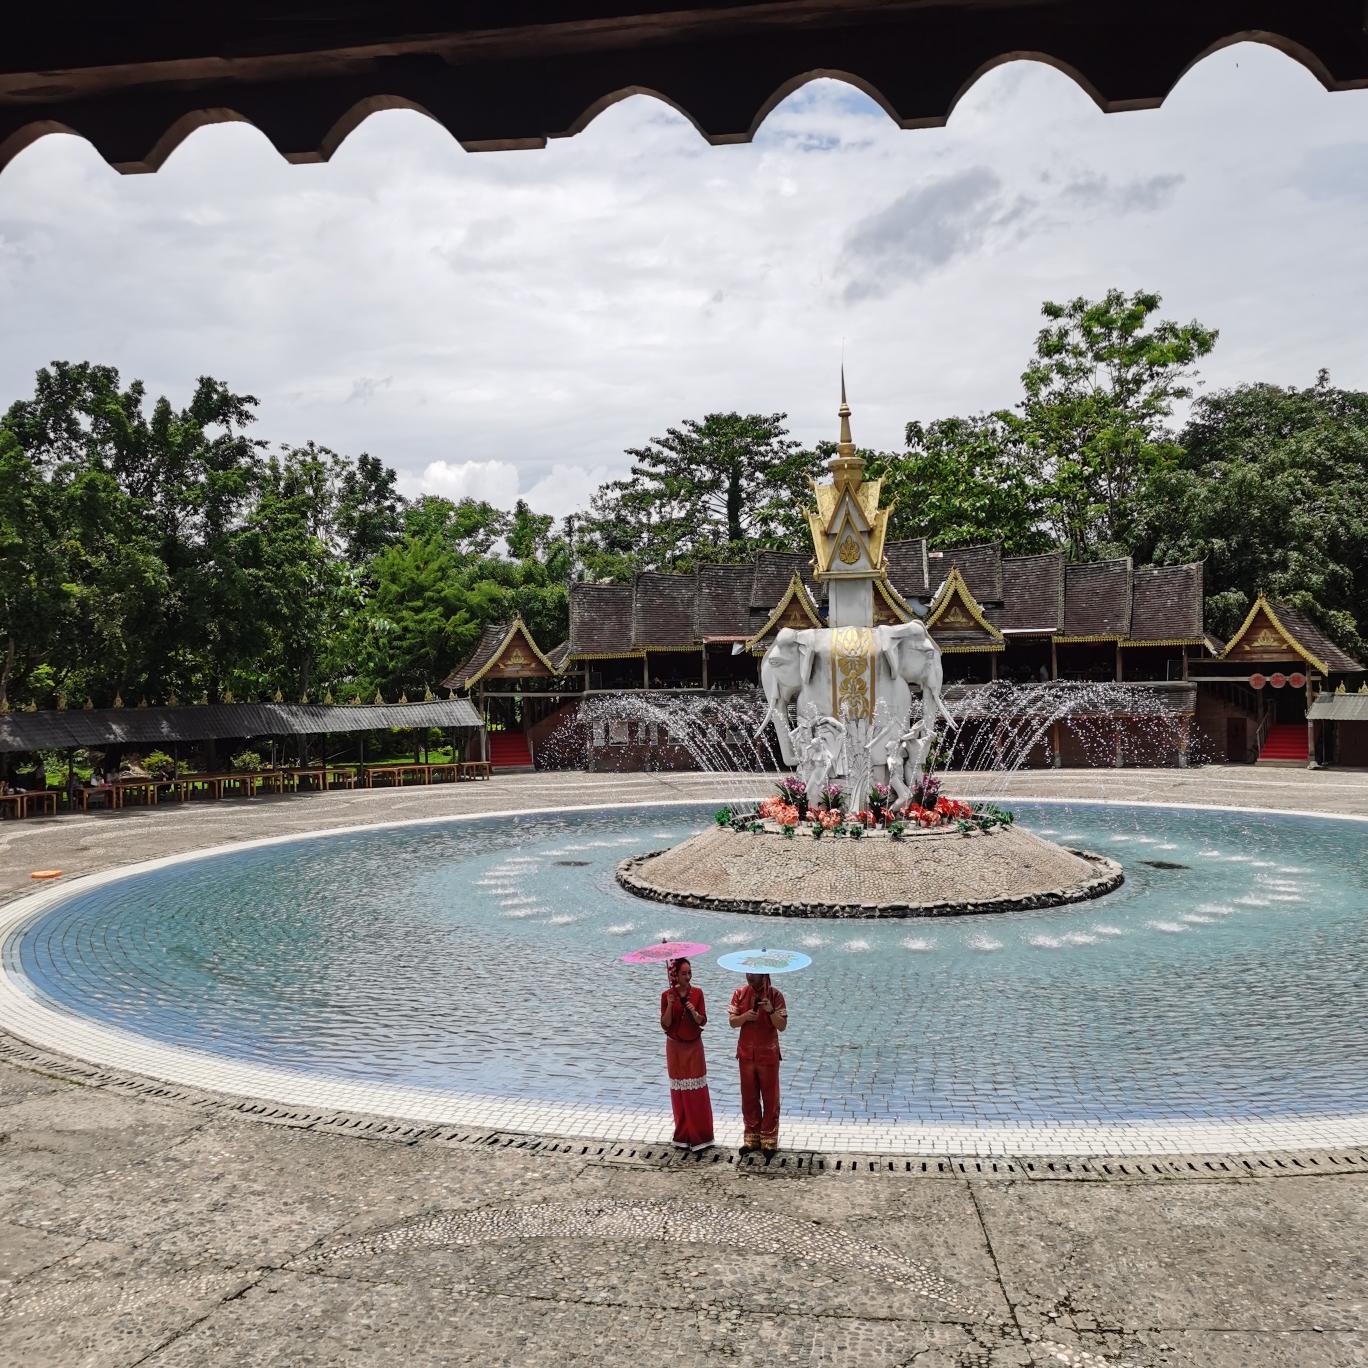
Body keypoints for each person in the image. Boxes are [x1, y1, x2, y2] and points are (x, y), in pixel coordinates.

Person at [729, 971, 787, 1152]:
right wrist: (745, 1017)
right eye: (748, 972)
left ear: (764, 975)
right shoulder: (740, 993)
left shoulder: (775, 996)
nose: (749, 976)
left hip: (768, 1054)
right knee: (749, 1098)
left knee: (771, 1098)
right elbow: (732, 1022)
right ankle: (751, 1138)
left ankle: (769, 1140)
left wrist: (770, 1011)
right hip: (746, 1054)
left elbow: (782, 1026)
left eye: (754, 973)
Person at [659, 958, 714, 1151]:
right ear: (675, 975)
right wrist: (669, 1005)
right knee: (679, 1091)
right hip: (675, 1047)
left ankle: (702, 1135)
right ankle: (682, 1135)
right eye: (684, 973)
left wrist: (695, 1013)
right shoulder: (667, 995)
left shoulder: (697, 993)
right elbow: (665, 1024)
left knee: (696, 1090)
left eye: (689, 972)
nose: (688, 976)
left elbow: (703, 1021)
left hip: (694, 1046)